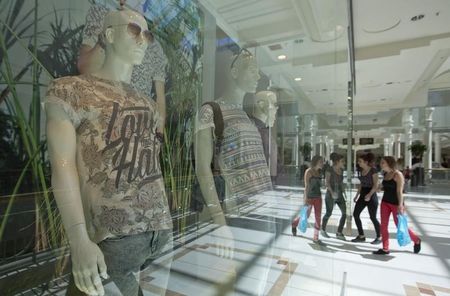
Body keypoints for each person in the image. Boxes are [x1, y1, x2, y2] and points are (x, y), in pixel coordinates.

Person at [45, 9, 172, 296]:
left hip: (161, 232)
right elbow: (63, 167)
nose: (143, 40)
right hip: (114, 238)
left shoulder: (148, 104)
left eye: (147, 35)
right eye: (134, 31)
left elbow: (149, 165)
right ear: (110, 34)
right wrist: (79, 239)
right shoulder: (69, 91)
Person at [78, 0, 168, 135]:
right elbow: (85, 67)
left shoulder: (154, 46)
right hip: (101, 117)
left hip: (137, 128)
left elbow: (160, 98)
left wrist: (158, 135)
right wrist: (110, 34)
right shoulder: (103, 16)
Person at [373, 156, 421, 255]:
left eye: (383, 162)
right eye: (381, 162)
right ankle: (385, 248)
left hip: (396, 204)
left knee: (400, 225)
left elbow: (399, 191)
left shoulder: (398, 174)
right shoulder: (385, 174)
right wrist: (379, 187)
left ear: (389, 163)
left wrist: (400, 205)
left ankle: (416, 240)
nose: (381, 164)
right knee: (383, 226)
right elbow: (383, 188)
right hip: (385, 202)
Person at [292, 155, 325, 245]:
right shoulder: (308, 171)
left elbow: (319, 185)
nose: (322, 163)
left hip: (318, 197)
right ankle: (294, 223)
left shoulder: (320, 172)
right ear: (316, 161)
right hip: (309, 197)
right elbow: (306, 186)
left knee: (318, 217)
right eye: (321, 161)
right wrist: (305, 198)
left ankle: (316, 236)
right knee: (305, 215)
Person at [351, 153, 381, 244]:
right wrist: (357, 195)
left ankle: (379, 237)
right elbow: (361, 184)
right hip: (363, 194)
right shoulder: (361, 170)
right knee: (356, 214)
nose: (358, 163)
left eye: (360, 161)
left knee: (373, 217)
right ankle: (361, 236)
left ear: (366, 162)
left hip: (371, 195)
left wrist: (369, 194)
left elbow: (376, 185)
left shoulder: (373, 170)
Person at [321, 153, 347, 240]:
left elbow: (341, 183)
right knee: (329, 213)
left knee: (344, 213)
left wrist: (344, 192)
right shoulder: (329, 169)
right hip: (330, 194)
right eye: (342, 161)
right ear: (337, 162)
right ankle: (323, 230)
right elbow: (327, 183)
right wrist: (332, 193)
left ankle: (339, 232)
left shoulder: (342, 170)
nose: (344, 163)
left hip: (340, 194)